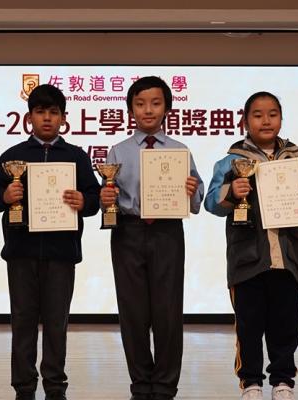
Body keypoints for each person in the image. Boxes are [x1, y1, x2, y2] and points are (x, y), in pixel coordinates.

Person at [0, 84, 100, 400]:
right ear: (29, 117)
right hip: (20, 253)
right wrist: (5, 196)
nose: (46, 118)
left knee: (56, 323)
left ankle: (55, 386)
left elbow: (94, 198)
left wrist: (84, 201)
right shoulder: (12, 156)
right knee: (22, 321)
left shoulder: (76, 156)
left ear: (64, 118)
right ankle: (23, 387)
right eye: (40, 112)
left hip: (62, 254)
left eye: (53, 112)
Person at [204, 91, 298, 400]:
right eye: (257, 115)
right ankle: (251, 382)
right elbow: (211, 203)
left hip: (287, 256)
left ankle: (283, 381)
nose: (266, 120)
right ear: (245, 121)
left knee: (288, 323)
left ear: (281, 119)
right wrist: (232, 191)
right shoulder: (230, 161)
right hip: (247, 259)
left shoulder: (295, 160)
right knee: (249, 324)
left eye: (272, 114)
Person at [99, 76, 203, 400]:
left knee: (167, 311)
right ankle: (141, 385)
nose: (148, 110)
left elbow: (197, 200)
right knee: (133, 312)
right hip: (128, 232)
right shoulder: (118, 151)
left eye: (156, 103)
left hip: (168, 232)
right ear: (131, 109)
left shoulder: (180, 151)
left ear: (167, 108)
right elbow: (109, 198)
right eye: (141, 104)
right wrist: (105, 198)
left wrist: (191, 190)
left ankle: (165, 386)